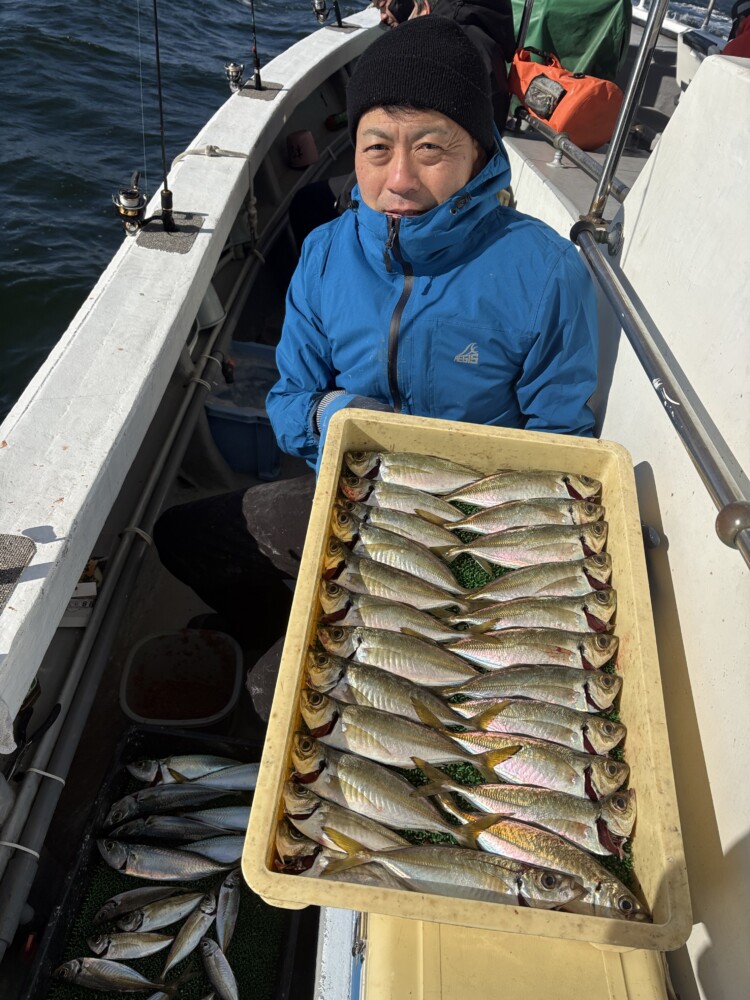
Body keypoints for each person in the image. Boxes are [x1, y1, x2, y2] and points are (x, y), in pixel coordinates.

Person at [155, 16, 598, 716]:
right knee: (182, 540)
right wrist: (326, 415)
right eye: (376, 147)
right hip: (354, 495)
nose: (399, 178)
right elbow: (289, 397)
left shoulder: (546, 274)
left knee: (282, 701)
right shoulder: (326, 252)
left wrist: (481, 559)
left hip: (467, 528)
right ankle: (287, 624)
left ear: (479, 152)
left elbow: (558, 447)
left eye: (431, 149)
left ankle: (336, 646)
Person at [373, 0, 516, 127]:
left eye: (383, 6)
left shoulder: (456, 35)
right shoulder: (441, 24)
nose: (382, 16)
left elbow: (489, 106)